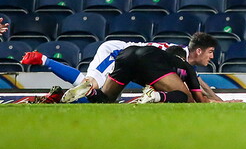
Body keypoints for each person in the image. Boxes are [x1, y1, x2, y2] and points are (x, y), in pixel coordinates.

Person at [31, 33, 228, 103]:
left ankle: (61, 95)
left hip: (129, 59)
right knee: (90, 83)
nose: (212, 57)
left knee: (104, 100)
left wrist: (217, 98)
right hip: (115, 53)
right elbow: (194, 86)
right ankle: (45, 60)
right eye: (211, 52)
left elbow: (196, 81)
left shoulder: (184, 58)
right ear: (199, 51)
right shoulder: (178, 54)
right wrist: (215, 100)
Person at [61, 44, 210, 104]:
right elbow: (198, 99)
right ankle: (155, 96)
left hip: (126, 54)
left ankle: (89, 91)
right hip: (148, 58)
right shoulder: (185, 67)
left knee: (105, 99)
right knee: (185, 97)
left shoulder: (165, 59)